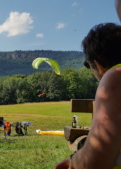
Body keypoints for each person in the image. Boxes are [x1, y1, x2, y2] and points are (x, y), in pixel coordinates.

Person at [56, 23, 121, 169]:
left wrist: (73, 162)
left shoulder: (114, 78)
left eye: (88, 65)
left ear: (98, 65)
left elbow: (95, 161)